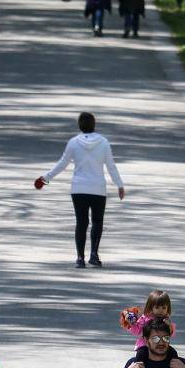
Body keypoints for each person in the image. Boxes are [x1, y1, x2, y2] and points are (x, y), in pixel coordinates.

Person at [34, 111, 125, 268]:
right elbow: (111, 166)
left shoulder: (74, 142)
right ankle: (94, 254)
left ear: (79, 125)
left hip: (79, 189)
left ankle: (80, 258)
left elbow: (62, 163)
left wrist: (45, 178)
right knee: (97, 221)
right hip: (98, 189)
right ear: (94, 124)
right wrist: (119, 184)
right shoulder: (103, 142)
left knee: (81, 222)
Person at [119, 290, 183, 368]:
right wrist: (132, 324)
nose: (161, 310)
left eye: (164, 308)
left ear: (168, 308)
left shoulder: (166, 320)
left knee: (173, 353)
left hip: (161, 345)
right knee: (140, 356)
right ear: (151, 307)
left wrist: (169, 326)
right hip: (144, 345)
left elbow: (171, 334)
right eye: (157, 307)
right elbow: (136, 331)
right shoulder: (145, 319)